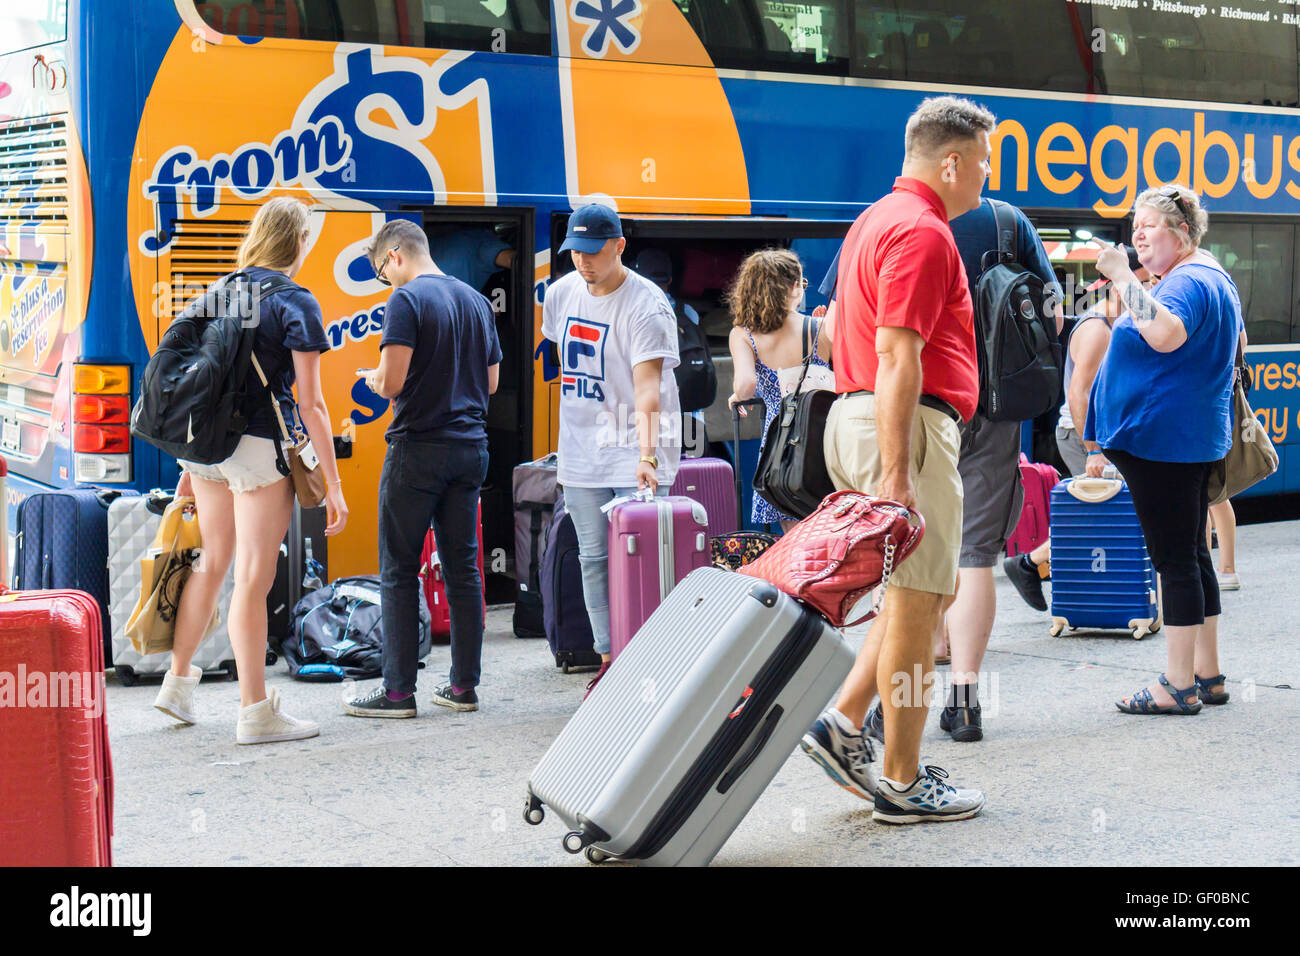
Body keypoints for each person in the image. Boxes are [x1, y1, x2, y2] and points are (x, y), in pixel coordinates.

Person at [800, 95, 993, 823]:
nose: (984, 179)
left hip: (860, 416)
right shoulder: (924, 231)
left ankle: (845, 722)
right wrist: (897, 469)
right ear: (949, 161)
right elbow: (897, 352)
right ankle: (904, 781)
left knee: (916, 593)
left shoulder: (874, 221)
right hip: (904, 424)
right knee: (919, 607)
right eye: (980, 163)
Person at [152, 196, 348, 744]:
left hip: (208, 448)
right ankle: (255, 712)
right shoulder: (295, 302)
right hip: (259, 450)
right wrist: (332, 484)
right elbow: (311, 404)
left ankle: (177, 685)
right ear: (300, 242)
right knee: (253, 581)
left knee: (212, 563)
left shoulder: (221, 289)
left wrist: (192, 466)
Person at [1086, 185, 1240, 714]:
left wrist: (1126, 277)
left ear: (1182, 233)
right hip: (1182, 441)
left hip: (1163, 444)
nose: (1138, 238)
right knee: (1193, 559)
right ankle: (1207, 674)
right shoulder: (1208, 276)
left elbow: (1166, 336)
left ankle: (1176, 686)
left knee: (1175, 563)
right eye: (1134, 231)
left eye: (1148, 227)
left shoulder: (1188, 282)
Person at [343, 219, 501, 717]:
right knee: (463, 572)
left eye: (380, 271)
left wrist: (372, 377)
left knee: (399, 570)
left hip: (418, 449)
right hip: (471, 448)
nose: (384, 282)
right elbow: (492, 383)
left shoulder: (405, 301)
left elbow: (392, 383)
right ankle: (463, 688)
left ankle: (397, 693)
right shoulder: (476, 301)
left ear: (394, 256)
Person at [541, 204, 681, 697]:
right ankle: (608, 660)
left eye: (594, 251)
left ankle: (647, 663)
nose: (584, 261)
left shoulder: (647, 304)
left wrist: (647, 457)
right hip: (582, 451)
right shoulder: (559, 295)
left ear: (619, 246)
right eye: (575, 251)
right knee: (593, 559)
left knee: (642, 558)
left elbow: (649, 390)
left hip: (635, 448)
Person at [1003, 252, 1151, 612]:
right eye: (1144, 283)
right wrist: (1094, 449)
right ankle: (1029, 564)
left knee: (1099, 512)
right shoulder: (1097, 328)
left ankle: (1066, 575)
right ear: (1118, 284)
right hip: (1082, 434)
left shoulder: (1116, 322)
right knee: (1093, 512)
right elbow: (1078, 392)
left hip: (1096, 434)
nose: (1148, 291)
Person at [725, 248, 832, 532]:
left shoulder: (744, 334)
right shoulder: (820, 327)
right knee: (827, 530)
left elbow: (745, 385)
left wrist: (737, 397)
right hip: (826, 439)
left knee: (791, 538)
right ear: (794, 286)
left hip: (781, 446)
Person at [634, 248, 713, 458]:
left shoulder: (635, 310)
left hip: (651, 414)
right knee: (693, 477)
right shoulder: (688, 312)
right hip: (691, 415)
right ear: (669, 279)